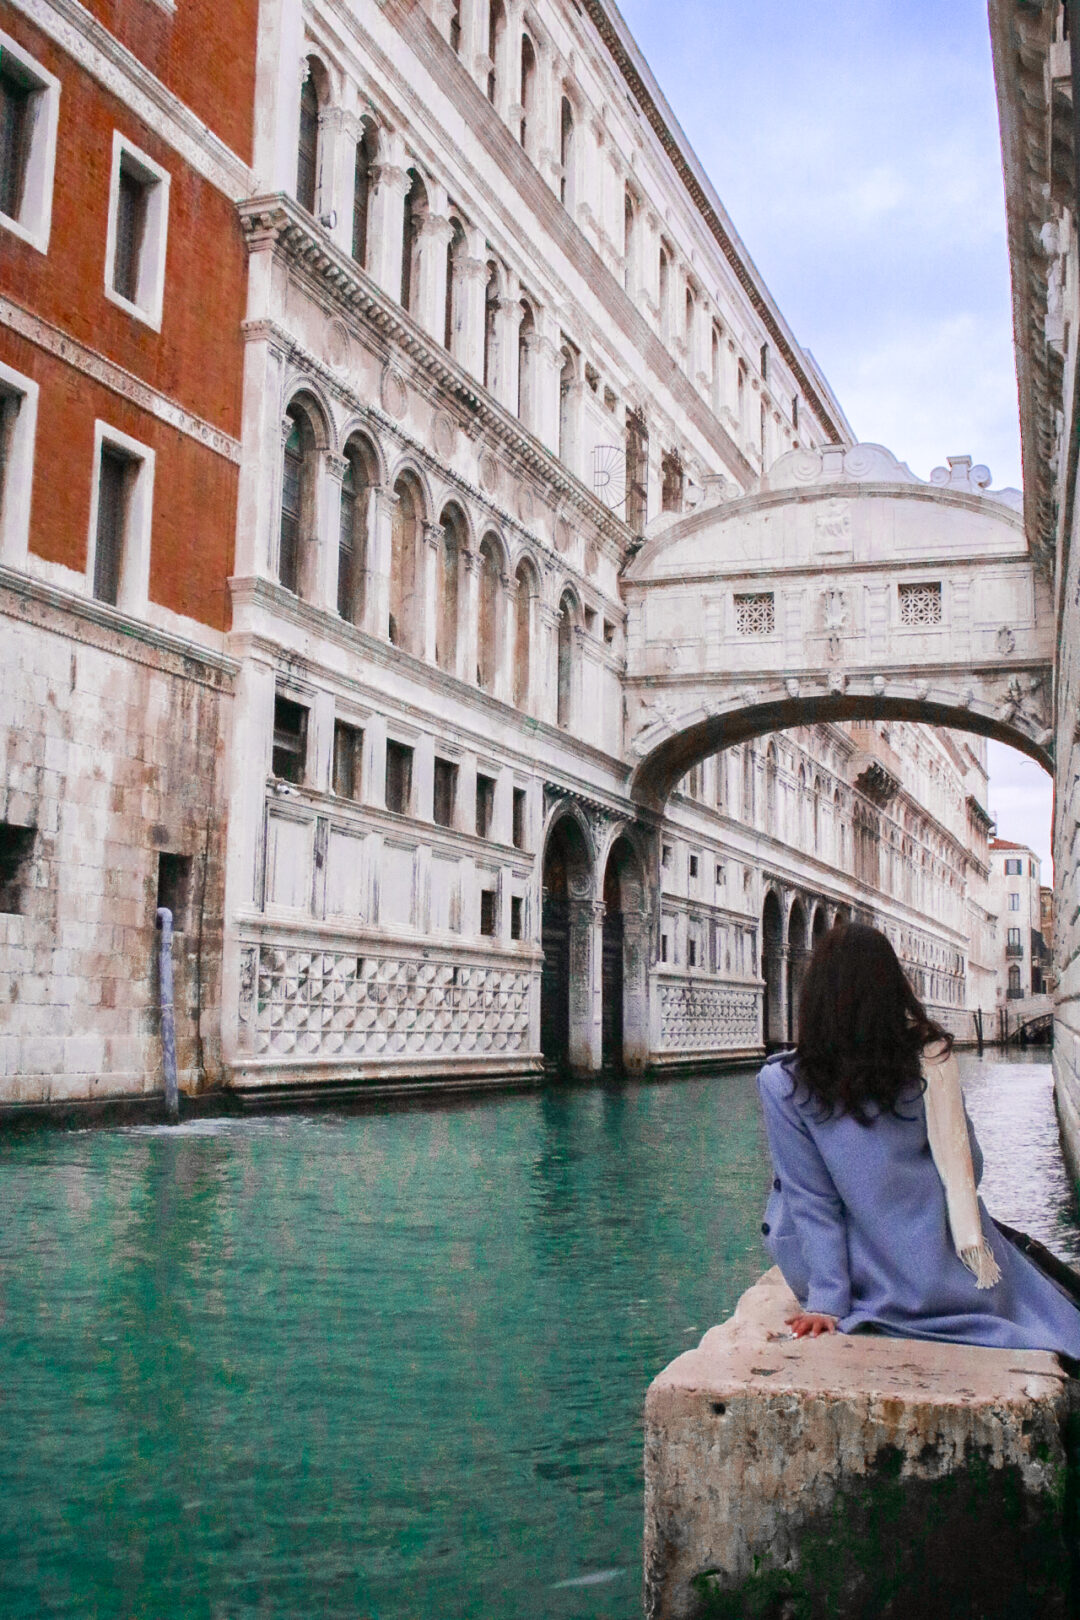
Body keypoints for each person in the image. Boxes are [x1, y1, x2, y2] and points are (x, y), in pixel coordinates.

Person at [758, 921, 1080, 1356]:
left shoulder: (783, 1082)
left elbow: (812, 1200)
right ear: (894, 993)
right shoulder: (931, 1060)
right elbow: (972, 1167)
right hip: (949, 1273)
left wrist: (828, 1302)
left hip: (856, 1277)